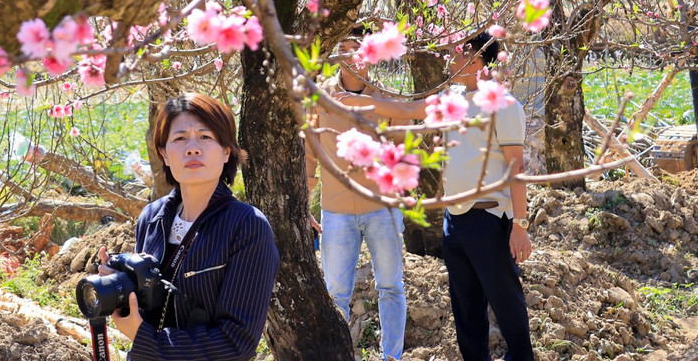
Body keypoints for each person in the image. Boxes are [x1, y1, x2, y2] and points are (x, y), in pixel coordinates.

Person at [98, 93, 279, 361]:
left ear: (226, 151)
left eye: (205, 137)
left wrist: (147, 338)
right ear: (164, 154)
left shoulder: (247, 225)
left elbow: (236, 342)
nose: (192, 148)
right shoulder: (151, 217)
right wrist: (119, 287)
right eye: (180, 138)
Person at [305, 29, 426, 361]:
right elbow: (309, 154)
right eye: (343, 48)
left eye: (357, 48)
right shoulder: (321, 96)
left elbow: (404, 148)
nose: (351, 55)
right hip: (335, 211)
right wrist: (305, 203)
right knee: (336, 294)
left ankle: (392, 357)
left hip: (382, 210)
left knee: (391, 287)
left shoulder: (386, 98)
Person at [440, 32, 533, 361]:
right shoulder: (453, 100)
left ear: (479, 61)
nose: (452, 59)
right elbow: (408, 110)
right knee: (465, 310)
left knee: (506, 304)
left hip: (489, 219)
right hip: (454, 219)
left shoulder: (503, 105)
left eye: (460, 54)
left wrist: (520, 225)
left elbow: (515, 167)